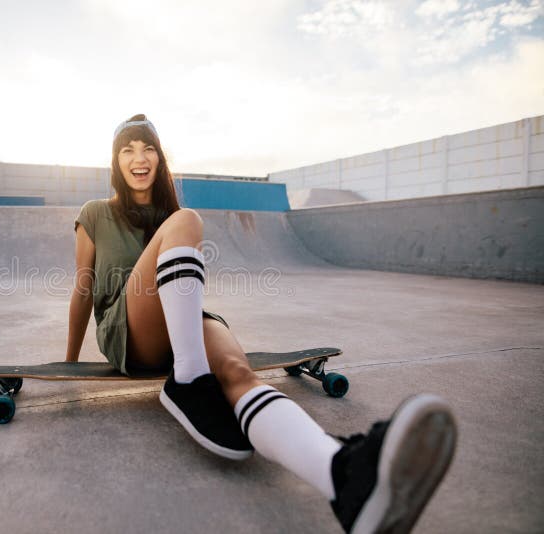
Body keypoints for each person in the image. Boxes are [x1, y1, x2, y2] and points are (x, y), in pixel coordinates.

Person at [66, 114, 457, 533]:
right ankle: (189, 380)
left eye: (148, 149)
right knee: (188, 220)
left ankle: (342, 477)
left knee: (238, 371)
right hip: (128, 331)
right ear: (115, 161)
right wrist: (68, 362)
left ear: (160, 161)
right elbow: (84, 289)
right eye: (127, 149)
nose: (139, 158)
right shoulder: (96, 214)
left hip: (183, 326)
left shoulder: (167, 213)